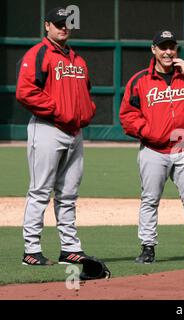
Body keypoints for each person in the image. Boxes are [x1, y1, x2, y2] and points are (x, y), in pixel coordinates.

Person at [120, 30, 184, 264]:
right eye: (162, 47)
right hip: (153, 150)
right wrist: (147, 132)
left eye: (171, 47)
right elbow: (128, 115)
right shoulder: (140, 80)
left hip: (183, 149)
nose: (168, 52)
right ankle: (148, 248)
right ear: (153, 50)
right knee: (150, 200)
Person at [16, 7, 96, 266]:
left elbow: (86, 93)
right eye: (59, 23)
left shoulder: (78, 60)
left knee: (68, 194)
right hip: (47, 128)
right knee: (40, 190)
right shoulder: (38, 54)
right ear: (47, 26)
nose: (64, 27)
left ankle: (69, 248)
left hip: (75, 133)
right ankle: (31, 250)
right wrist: (59, 111)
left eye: (67, 23)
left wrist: (85, 112)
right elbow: (26, 92)